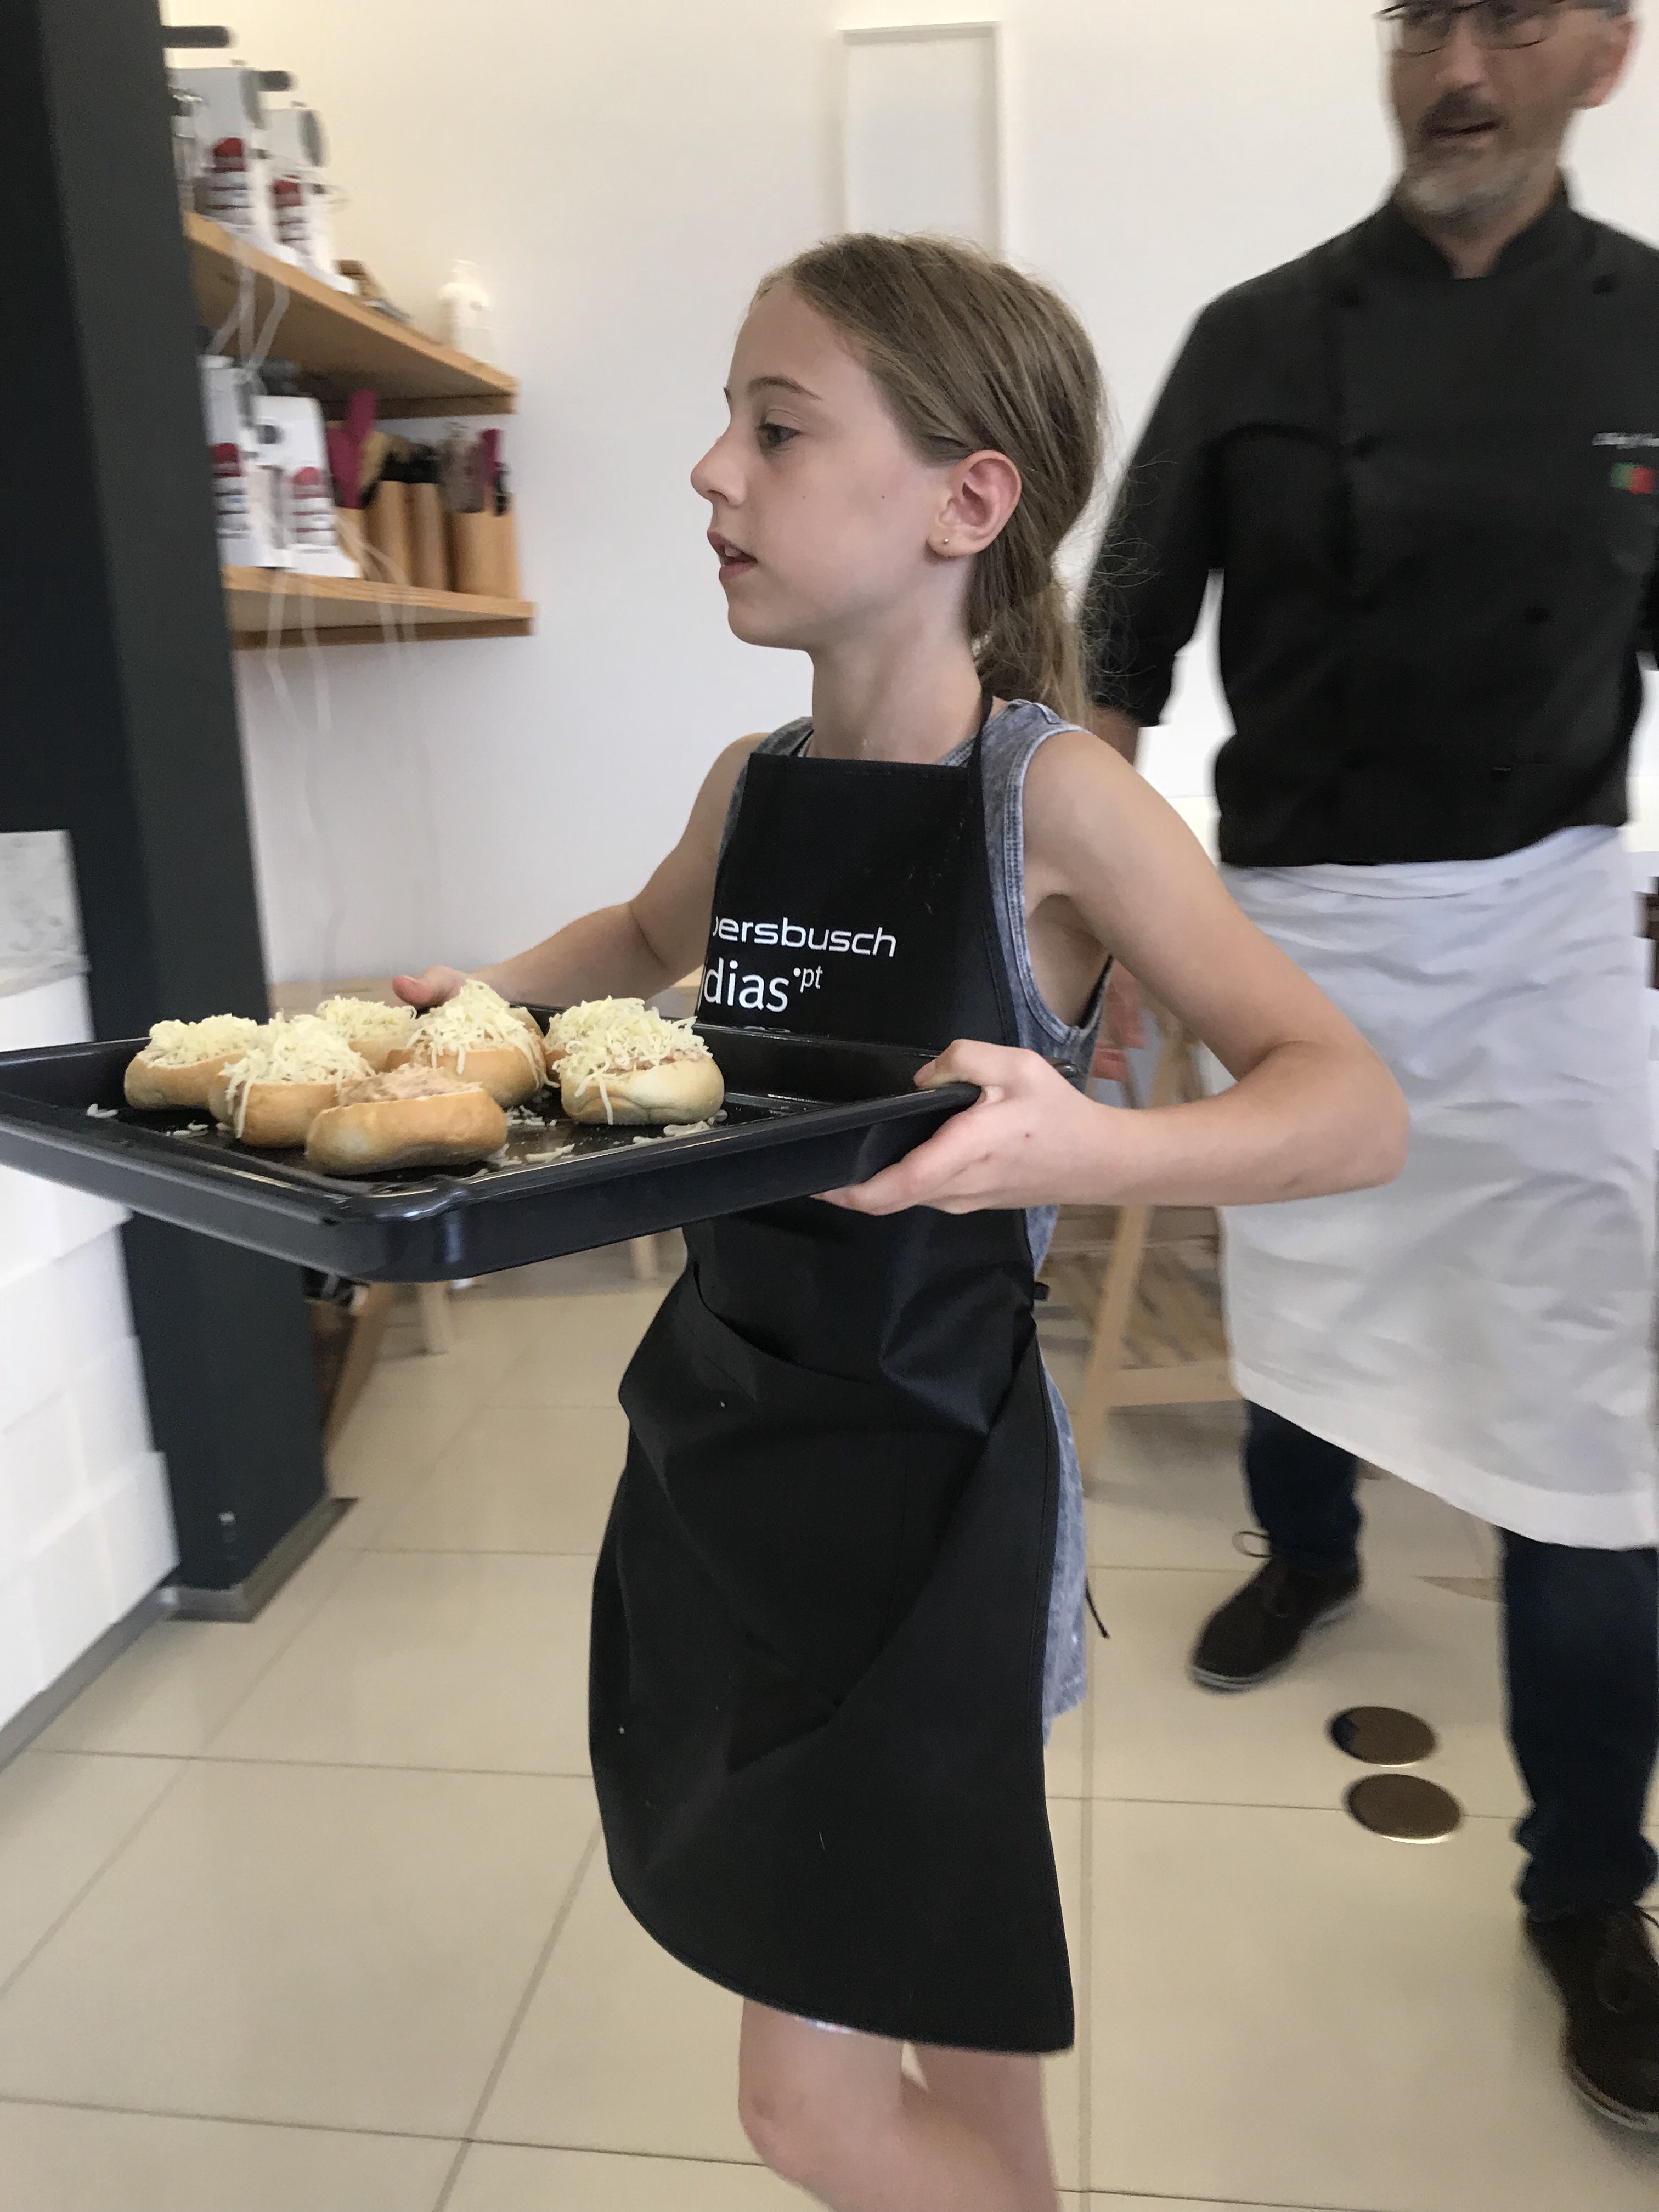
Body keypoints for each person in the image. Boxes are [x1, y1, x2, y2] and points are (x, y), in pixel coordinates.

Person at [400, 234, 1405, 2212]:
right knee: (948, 1993)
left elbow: (1349, 1105)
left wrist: (1080, 1149)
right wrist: (470, 1012)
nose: (712, 470)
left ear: (967, 501)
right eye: (729, 421)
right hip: (727, 1457)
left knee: (810, 2110)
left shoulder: (1059, 804)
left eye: (777, 429)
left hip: (936, 1507)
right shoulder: (755, 784)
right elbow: (639, 934)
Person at [1078, 0, 1659, 2133]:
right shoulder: (1255, 338)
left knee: (1594, 1416)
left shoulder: (1653, 333)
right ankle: (1309, 1550)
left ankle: (1587, 1885)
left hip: (1549, 923)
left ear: (1606, 53)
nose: (1459, 64)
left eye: (1513, 15)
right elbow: (1119, 647)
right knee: (1304, 1285)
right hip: (1292, 925)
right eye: (1423, 16)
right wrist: (1092, 930)